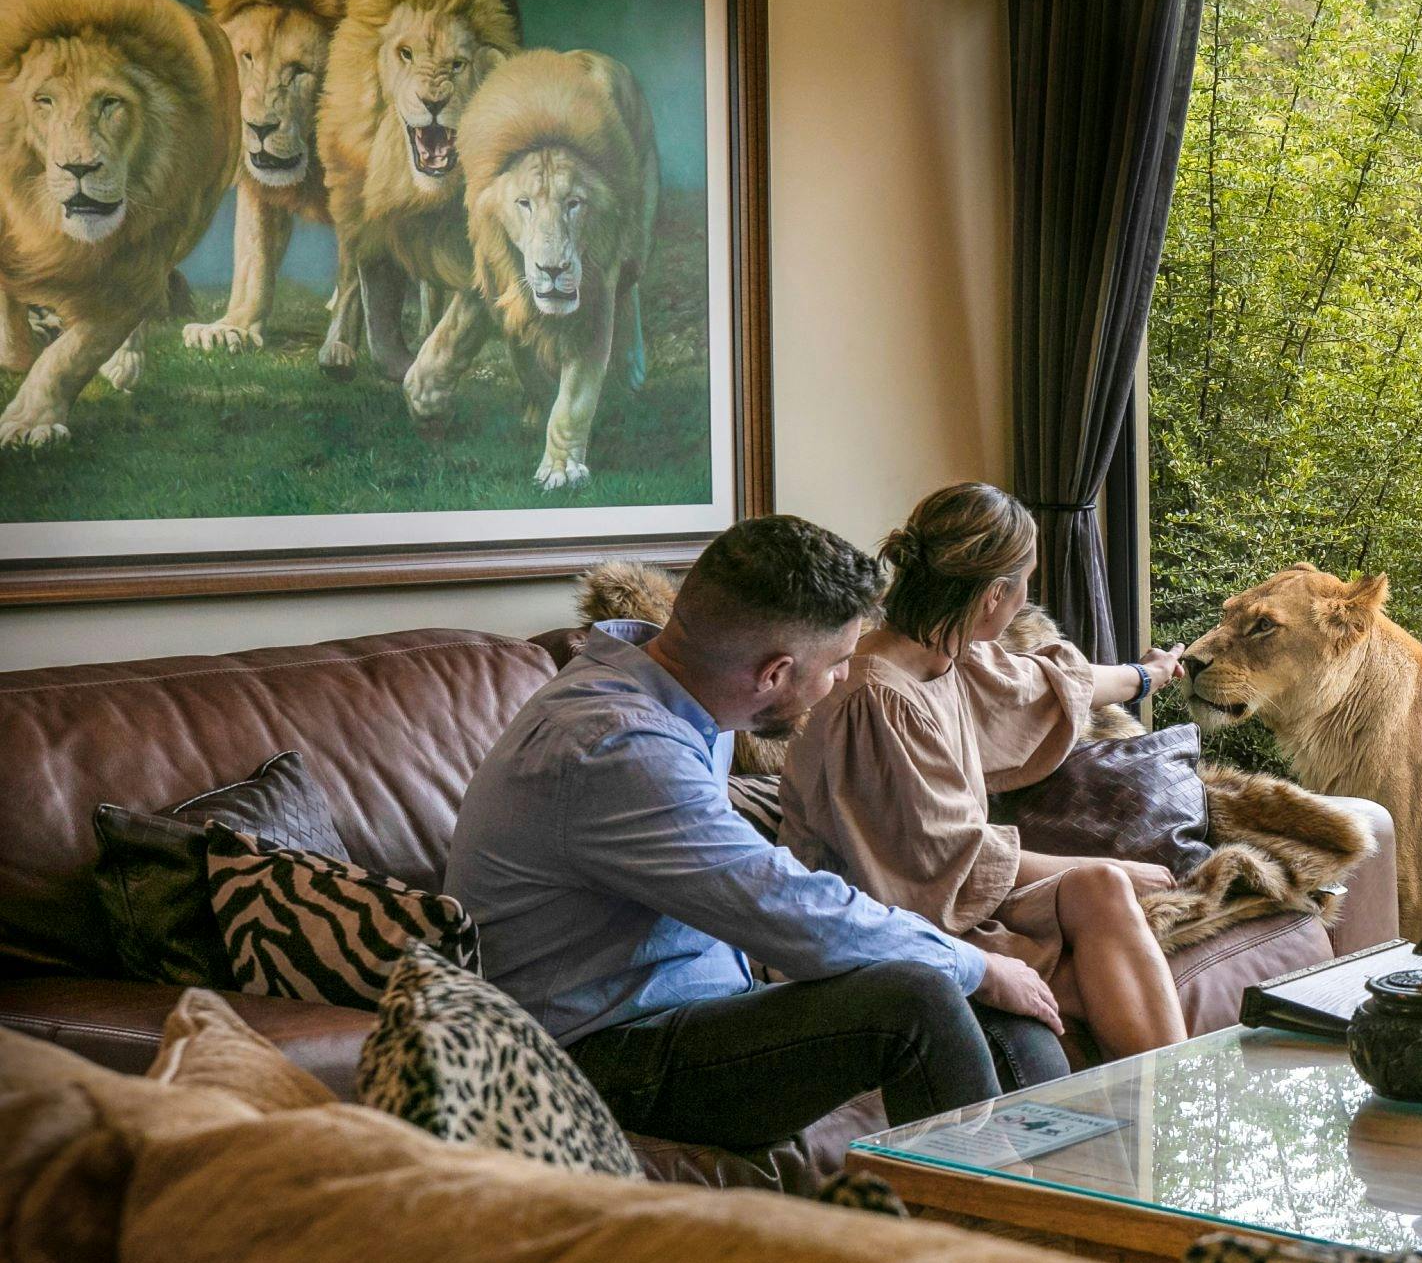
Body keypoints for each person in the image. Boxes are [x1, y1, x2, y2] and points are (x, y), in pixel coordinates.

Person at [447, 514, 1069, 1151]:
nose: (839, 683)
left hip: (692, 1008)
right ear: (773, 673)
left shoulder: (674, 697)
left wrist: (982, 970)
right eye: (836, 665)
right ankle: (993, 1240)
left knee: (991, 995)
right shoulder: (618, 749)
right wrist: (976, 964)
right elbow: (784, 908)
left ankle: (1072, 1215)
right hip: (591, 1057)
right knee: (917, 999)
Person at [782, 483, 1191, 1058]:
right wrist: (1118, 864)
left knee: (1099, 889)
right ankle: (1155, 1100)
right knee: (1104, 910)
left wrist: (1147, 674)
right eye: (1025, 581)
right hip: (886, 913)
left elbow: (1057, 685)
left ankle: (1164, 1093)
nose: (1028, 597)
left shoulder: (949, 656)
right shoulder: (876, 701)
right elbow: (947, 863)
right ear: (995, 595)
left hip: (950, 892)